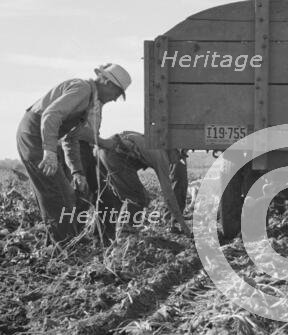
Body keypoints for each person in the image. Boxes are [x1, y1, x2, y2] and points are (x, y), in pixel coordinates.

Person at [16, 63, 131, 243]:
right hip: (34, 136)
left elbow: (71, 139)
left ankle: (58, 244)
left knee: (58, 194)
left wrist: (78, 171)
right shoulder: (82, 89)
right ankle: (62, 247)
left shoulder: (88, 101)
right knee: (59, 195)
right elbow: (50, 115)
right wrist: (50, 152)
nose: (115, 99)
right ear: (107, 83)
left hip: (36, 136)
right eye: (117, 93)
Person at [96, 131, 190, 235]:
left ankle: (106, 234)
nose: (178, 160)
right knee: (139, 198)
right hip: (115, 154)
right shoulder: (161, 155)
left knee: (115, 198)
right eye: (180, 157)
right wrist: (183, 224)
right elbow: (169, 195)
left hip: (102, 151)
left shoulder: (152, 142)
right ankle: (126, 233)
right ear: (173, 149)